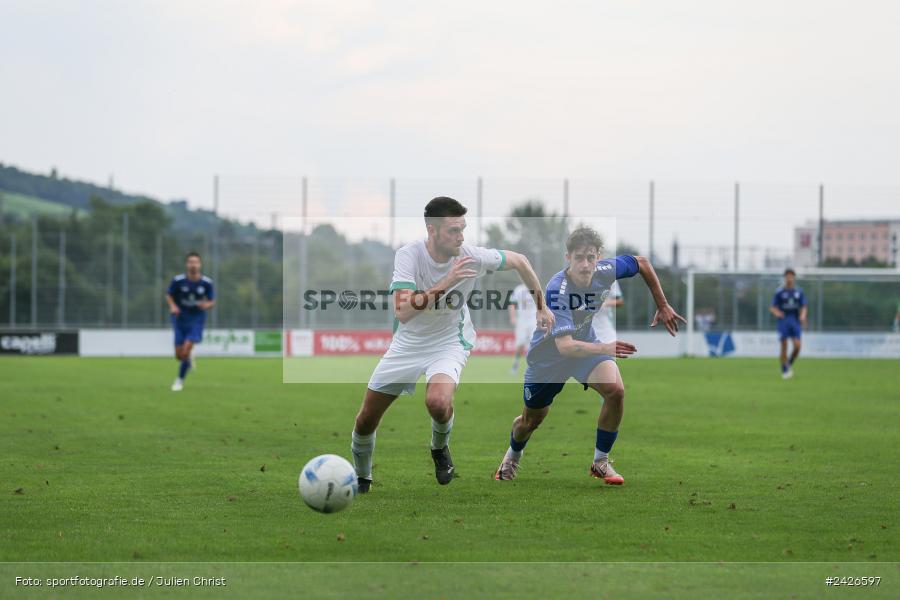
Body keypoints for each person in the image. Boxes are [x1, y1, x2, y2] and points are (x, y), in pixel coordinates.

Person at [351, 197, 555, 493]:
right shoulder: (409, 256)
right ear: (432, 230)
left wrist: (541, 307)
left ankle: (439, 448)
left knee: (438, 403)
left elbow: (520, 261)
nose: (461, 237)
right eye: (453, 231)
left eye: (463, 229)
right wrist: (447, 280)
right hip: (407, 344)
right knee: (366, 418)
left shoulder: (471, 256)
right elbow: (403, 311)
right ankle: (362, 478)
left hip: (449, 343)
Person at [493, 227, 686, 485]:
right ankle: (513, 455)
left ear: (599, 257)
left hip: (585, 345)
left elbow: (642, 263)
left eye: (591, 257)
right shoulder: (556, 290)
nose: (586, 264)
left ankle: (600, 462)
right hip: (548, 359)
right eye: (579, 258)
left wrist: (662, 304)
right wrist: (606, 348)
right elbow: (565, 347)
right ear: (568, 258)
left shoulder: (605, 272)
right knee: (530, 421)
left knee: (615, 391)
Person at [166, 252, 215, 391]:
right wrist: (173, 305)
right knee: (179, 355)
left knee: (186, 348)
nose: (193, 264)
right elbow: (169, 295)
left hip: (196, 320)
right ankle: (188, 358)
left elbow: (212, 301)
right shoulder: (178, 281)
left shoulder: (206, 283)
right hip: (179, 319)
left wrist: (207, 305)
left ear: (200, 264)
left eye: (196, 262)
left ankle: (179, 380)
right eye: (190, 262)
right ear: (187, 264)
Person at [769, 268, 807, 379]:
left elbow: (804, 306)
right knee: (784, 346)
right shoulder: (779, 292)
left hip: (795, 321)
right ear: (785, 278)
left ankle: (789, 363)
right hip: (783, 321)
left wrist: (803, 315)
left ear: (794, 278)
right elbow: (772, 307)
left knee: (797, 346)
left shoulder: (799, 292)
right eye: (787, 276)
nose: (789, 278)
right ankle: (784, 368)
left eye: (791, 276)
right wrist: (777, 313)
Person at [509, 282, 538, 373]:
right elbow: (512, 304)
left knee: (534, 343)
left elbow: (541, 305)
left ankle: (533, 366)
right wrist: (513, 317)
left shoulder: (536, 287)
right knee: (520, 344)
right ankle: (515, 363)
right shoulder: (518, 289)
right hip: (522, 320)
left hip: (533, 320)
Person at [592, 279, 623, 343]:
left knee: (614, 348)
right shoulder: (577, 276)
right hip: (584, 322)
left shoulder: (611, 278)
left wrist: (604, 304)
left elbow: (619, 301)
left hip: (604, 321)